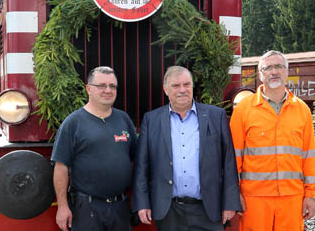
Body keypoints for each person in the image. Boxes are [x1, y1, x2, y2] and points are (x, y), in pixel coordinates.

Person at [132, 65, 241, 231]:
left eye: (186, 84)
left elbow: (228, 162)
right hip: (169, 211)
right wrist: (142, 203)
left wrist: (230, 203)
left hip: (208, 209)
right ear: (165, 89)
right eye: (176, 86)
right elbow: (142, 166)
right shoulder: (151, 120)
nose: (182, 90)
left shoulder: (215, 116)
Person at [230, 50, 315, 231]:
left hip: (291, 198)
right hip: (254, 199)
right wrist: (233, 193)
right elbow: (233, 157)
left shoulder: (302, 110)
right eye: (268, 67)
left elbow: (309, 156)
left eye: (279, 66)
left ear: (287, 72)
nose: (274, 71)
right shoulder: (243, 110)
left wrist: (310, 195)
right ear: (260, 74)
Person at [51, 66, 137, 231]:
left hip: (120, 207)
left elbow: (136, 160)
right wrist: (62, 207)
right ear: (88, 89)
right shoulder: (73, 123)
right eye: (101, 86)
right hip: (86, 209)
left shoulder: (123, 119)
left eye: (112, 86)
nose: (108, 90)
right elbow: (61, 167)